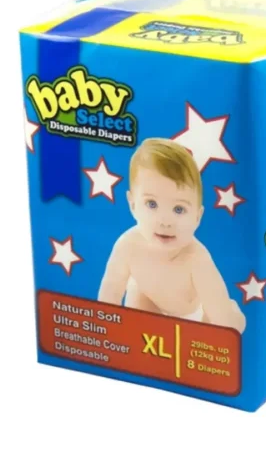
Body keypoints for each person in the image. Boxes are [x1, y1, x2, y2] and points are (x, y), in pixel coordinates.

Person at [97, 137, 246, 333]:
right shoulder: (127, 245)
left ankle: (233, 311)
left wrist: (225, 321)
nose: (165, 221)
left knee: (223, 322)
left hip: (190, 314)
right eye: (152, 204)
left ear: (197, 217)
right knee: (136, 312)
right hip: (149, 298)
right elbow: (110, 292)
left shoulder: (196, 259)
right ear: (132, 204)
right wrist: (105, 331)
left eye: (178, 209)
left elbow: (221, 321)